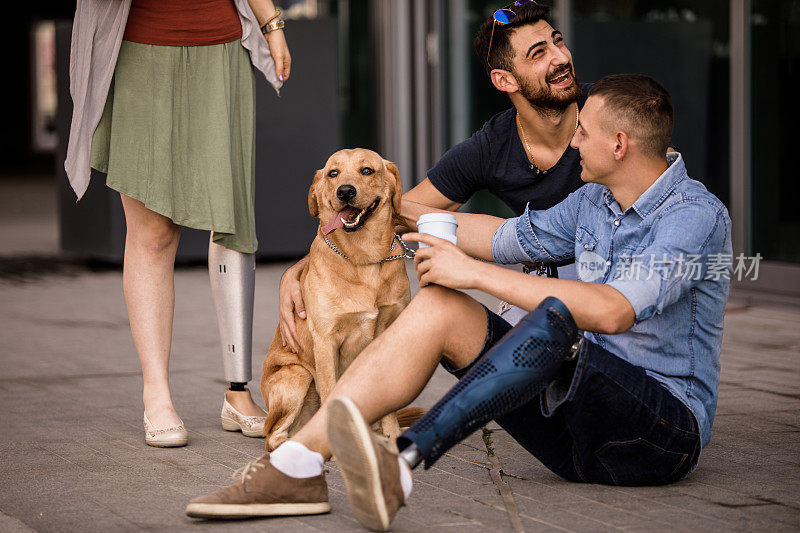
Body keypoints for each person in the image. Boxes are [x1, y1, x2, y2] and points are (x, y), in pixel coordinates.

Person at [186, 74, 732, 531]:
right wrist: (337, 240)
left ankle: (399, 462)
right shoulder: (594, 200)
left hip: (658, 437)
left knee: (553, 322)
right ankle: (296, 465)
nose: (572, 144)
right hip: (573, 433)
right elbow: (502, 236)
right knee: (441, 304)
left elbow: (613, 310)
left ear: (619, 144)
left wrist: (475, 274)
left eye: (582, 133)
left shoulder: (693, 217)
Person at [277, 1, 590, 352]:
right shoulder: (490, 146)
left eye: (558, 42)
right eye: (538, 53)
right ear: (505, 79)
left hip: (617, 284)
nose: (561, 57)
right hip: (541, 288)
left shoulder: (609, 113)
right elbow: (388, 213)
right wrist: (303, 269)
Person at [64, 0, 291, 447]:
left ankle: (238, 392)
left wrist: (271, 22)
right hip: (139, 51)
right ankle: (158, 395)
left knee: (232, 220)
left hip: (222, 49)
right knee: (152, 234)